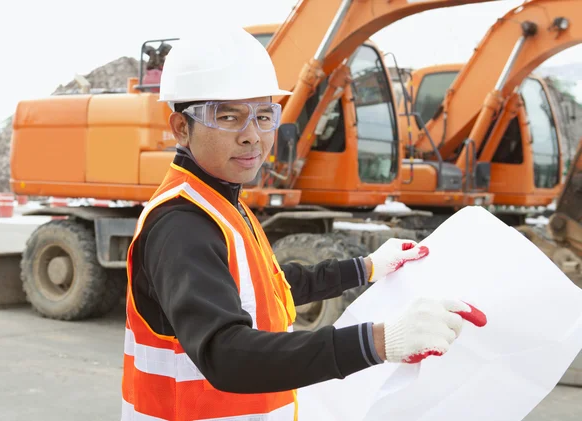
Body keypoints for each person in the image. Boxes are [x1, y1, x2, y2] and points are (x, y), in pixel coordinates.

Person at [120, 24, 487, 421]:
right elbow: (224, 354)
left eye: (264, 116)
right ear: (180, 128)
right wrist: (380, 341)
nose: (252, 137)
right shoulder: (182, 224)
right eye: (228, 117)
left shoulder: (222, 203)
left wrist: (366, 268)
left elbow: (270, 291)